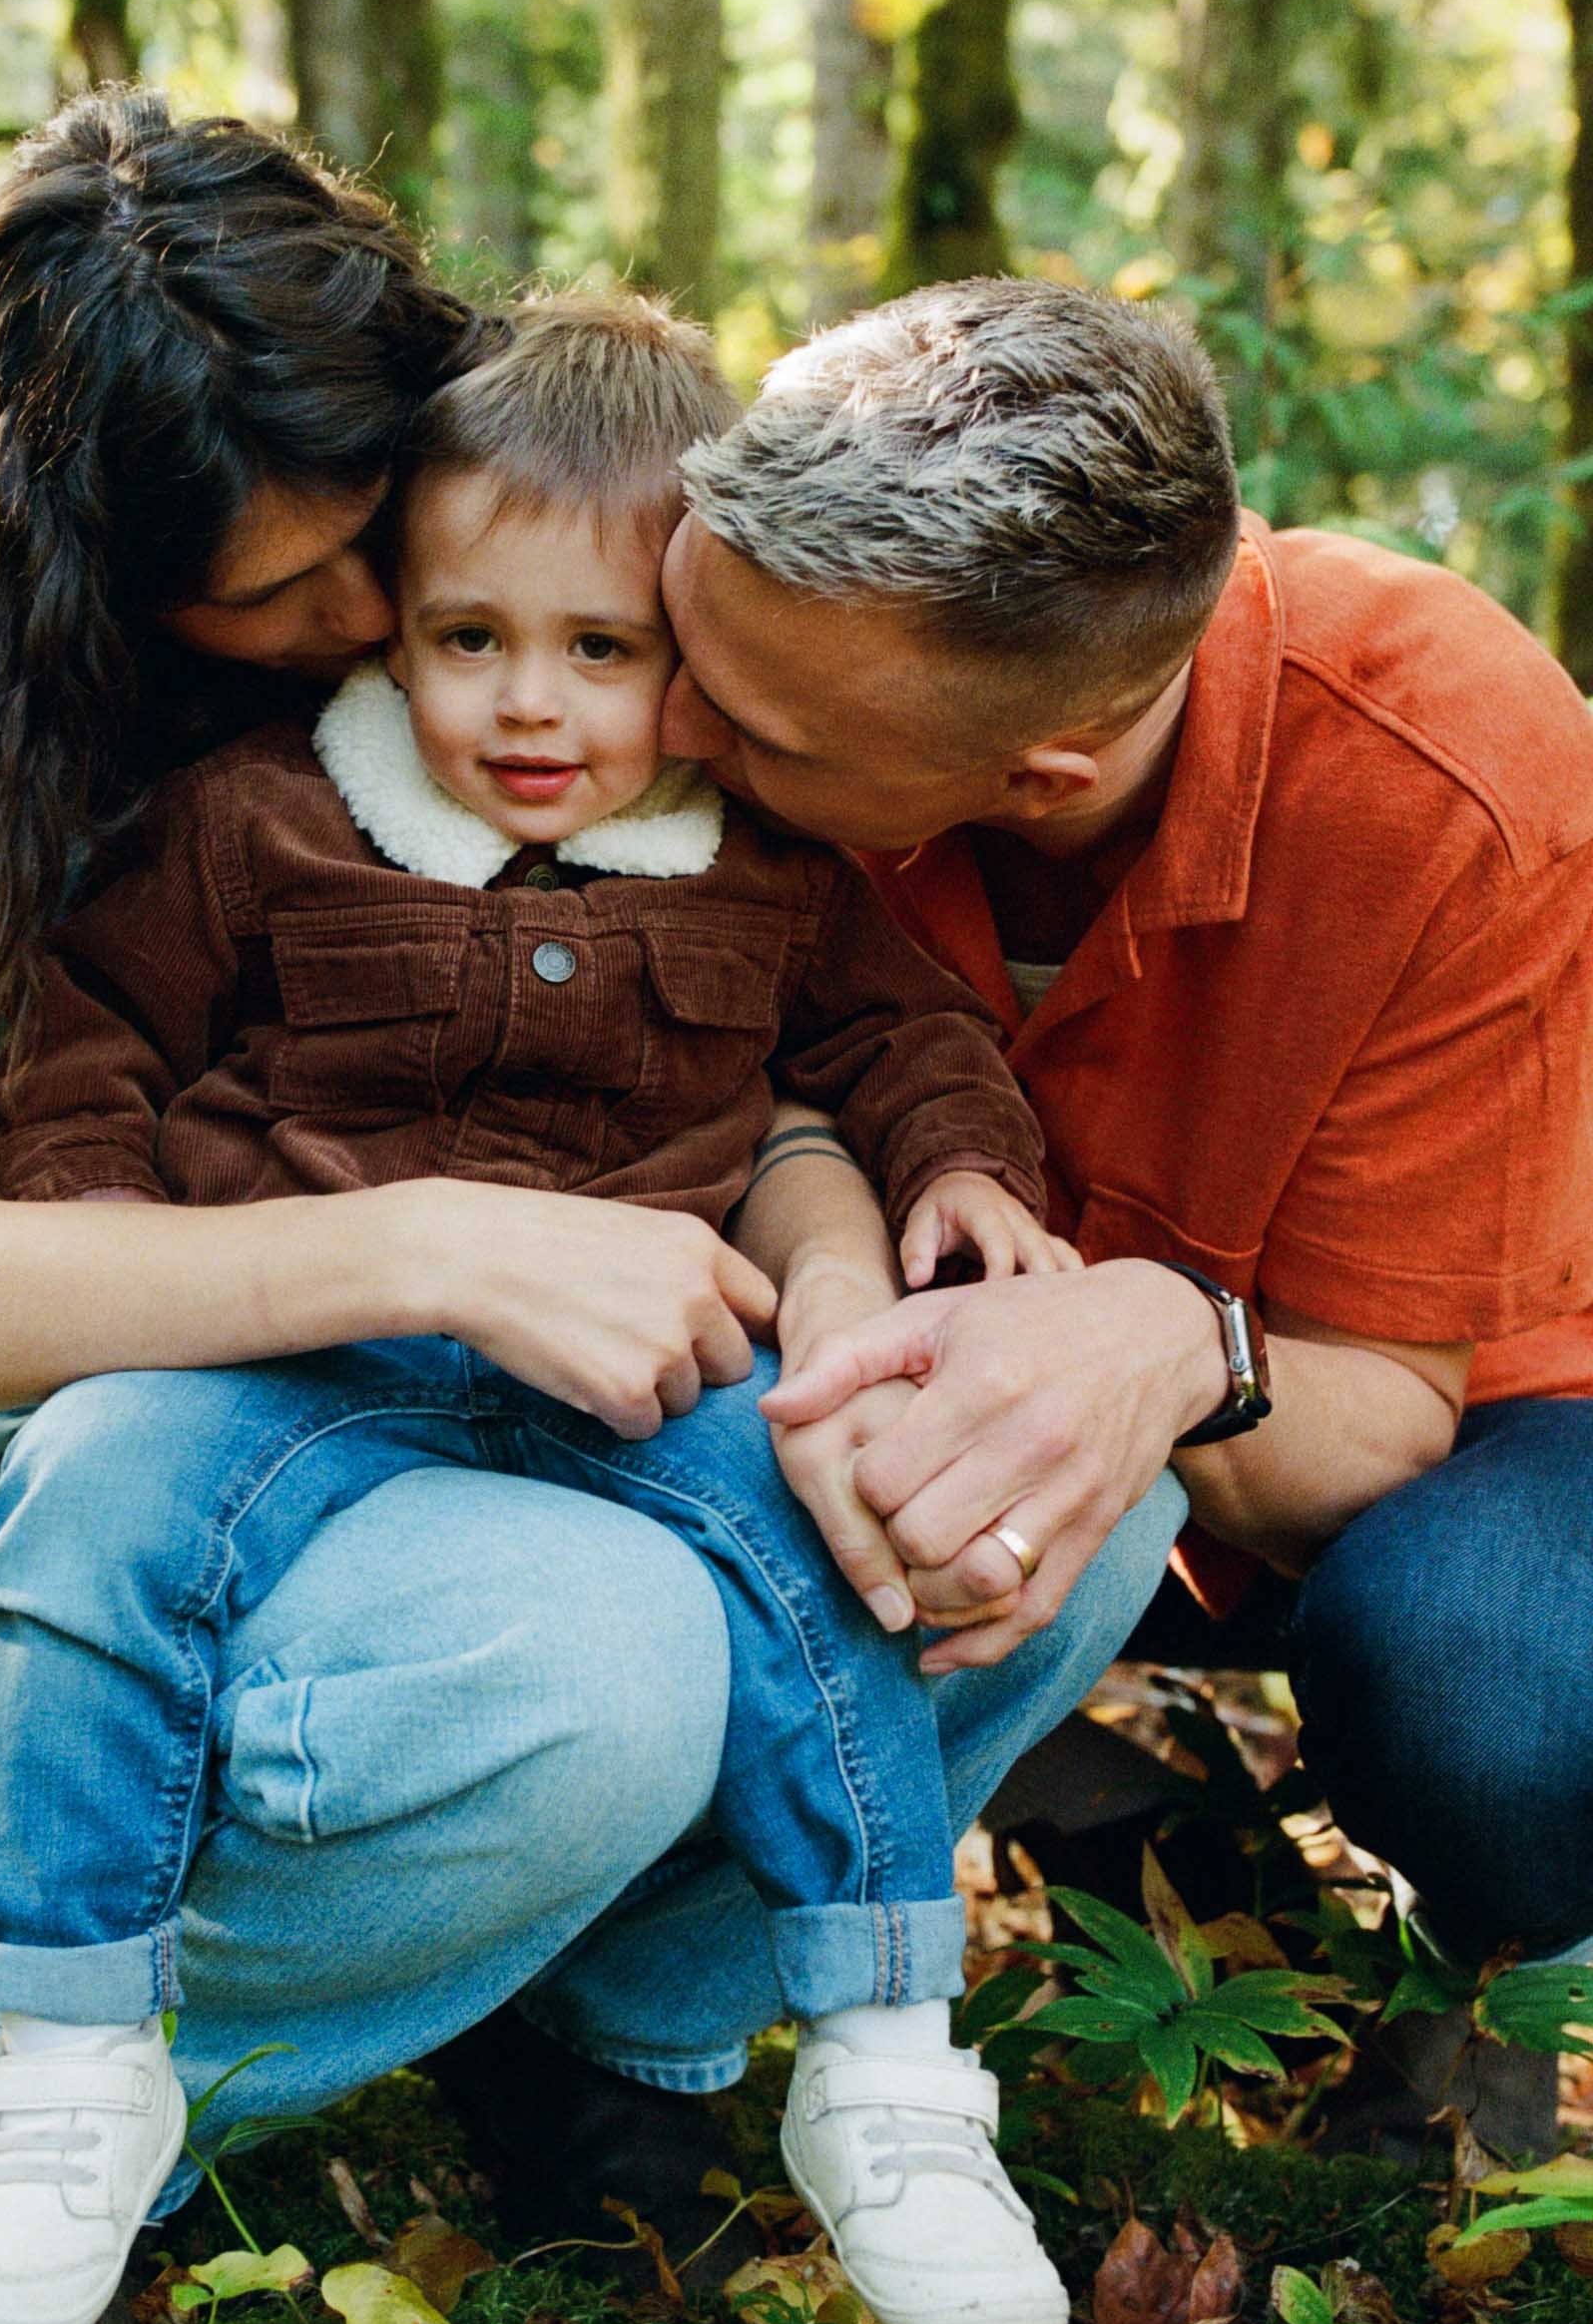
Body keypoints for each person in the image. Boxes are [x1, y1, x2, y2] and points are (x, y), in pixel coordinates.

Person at [0, 98, 1185, 2321]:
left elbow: (798, 1039)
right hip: (149, 1449)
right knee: (602, 1651)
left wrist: (858, 1237)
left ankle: (633, 2038)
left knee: (1030, 1488)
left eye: (381, 546)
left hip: (597, 1384)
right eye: (292, 595)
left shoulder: (637, 698)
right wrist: (421, 1239)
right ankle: (113, 2087)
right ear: (102, 581)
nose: (375, 629)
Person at [504, 273, 1593, 2101]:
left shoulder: (1456, 781)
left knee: (1499, 1686)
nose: (671, 726)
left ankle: (1483, 1960)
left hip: (1441, 1426)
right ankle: (1079, 1797)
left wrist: (1171, 1345)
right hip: (896, 1355)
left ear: (1037, 776)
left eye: (762, 730)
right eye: (676, 640)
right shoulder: (751, 683)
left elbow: (1377, 1433)